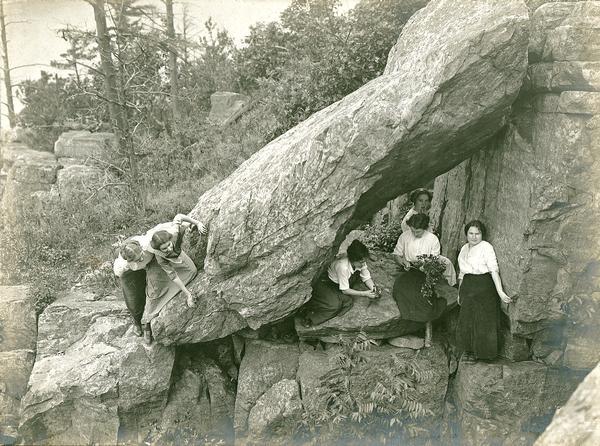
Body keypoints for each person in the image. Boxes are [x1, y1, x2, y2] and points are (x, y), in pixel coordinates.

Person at [140, 214, 206, 344]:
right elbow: (173, 275)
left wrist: (197, 223)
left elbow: (179, 216)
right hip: (160, 267)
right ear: (159, 249)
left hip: (177, 257)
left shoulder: (173, 234)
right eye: (164, 248)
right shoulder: (159, 256)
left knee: (192, 272)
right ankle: (146, 321)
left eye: (169, 245)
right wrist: (187, 294)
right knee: (156, 292)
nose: (168, 248)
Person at [392, 213, 454, 347]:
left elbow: (434, 260)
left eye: (418, 231)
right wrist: (403, 261)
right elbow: (396, 254)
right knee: (401, 290)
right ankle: (407, 328)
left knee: (422, 296)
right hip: (409, 271)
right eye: (413, 230)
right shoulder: (405, 236)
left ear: (424, 228)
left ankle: (427, 329)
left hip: (425, 272)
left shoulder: (432, 239)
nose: (414, 233)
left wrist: (424, 264)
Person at [456, 220, 512, 360]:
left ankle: (483, 354)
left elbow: (494, 270)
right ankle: (469, 351)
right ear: (466, 234)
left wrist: (500, 292)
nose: (474, 237)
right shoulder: (464, 249)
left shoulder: (486, 247)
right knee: (467, 319)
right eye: (471, 233)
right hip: (468, 286)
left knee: (484, 321)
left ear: (482, 234)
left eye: (478, 233)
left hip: (484, 286)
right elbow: (462, 274)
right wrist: (459, 292)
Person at [301, 240, 378, 327]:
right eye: (361, 262)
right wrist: (364, 294)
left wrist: (373, 288)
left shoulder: (360, 261)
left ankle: (327, 301)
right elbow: (345, 290)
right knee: (334, 306)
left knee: (348, 302)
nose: (363, 263)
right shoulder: (342, 266)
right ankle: (309, 315)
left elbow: (366, 277)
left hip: (340, 283)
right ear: (353, 259)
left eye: (364, 260)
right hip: (326, 283)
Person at [114, 236, 154, 337]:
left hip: (151, 262)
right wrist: (129, 265)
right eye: (137, 259)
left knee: (155, 289)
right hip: (130, 270)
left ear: (141, 248)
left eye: (140, 257)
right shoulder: (122, 264)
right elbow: (118, 273)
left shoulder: (147, 243)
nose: (140, 259)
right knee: (133, 296)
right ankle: (137, 320)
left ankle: (149, 324)